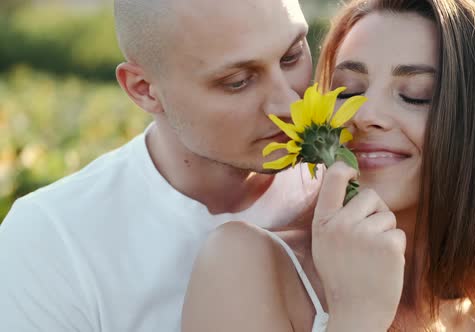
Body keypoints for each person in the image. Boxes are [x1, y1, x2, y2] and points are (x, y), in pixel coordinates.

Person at [181, 0, 475, 330]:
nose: (364, 114)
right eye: (348, 90)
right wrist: (356, 314)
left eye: (415, 95)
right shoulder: (245, 266)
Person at [0, 0, 320, 330]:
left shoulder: (355, 179)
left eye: (291, 57)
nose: (289, 103)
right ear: (144, 90)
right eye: (237, 81)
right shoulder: (53, 241)